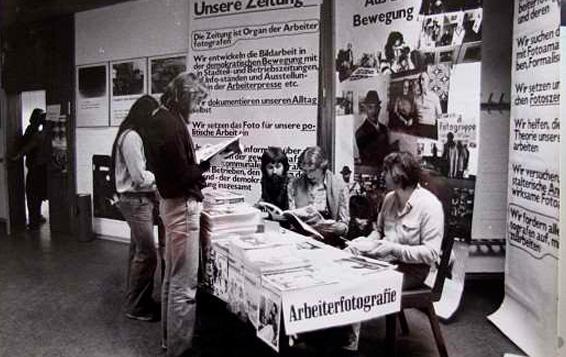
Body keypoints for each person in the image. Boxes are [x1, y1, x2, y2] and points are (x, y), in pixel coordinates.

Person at [144, 72, 210, 357]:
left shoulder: (161, 118)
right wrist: (208, 162)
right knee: (185, 285)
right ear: (184, 96)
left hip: (170, 206)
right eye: (196, 100)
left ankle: (169, 343)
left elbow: (170, 169)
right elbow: (183, 175)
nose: (197, 107)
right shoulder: (172, 125)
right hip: (182, 207)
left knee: (171, 279)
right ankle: (180, 351)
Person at [347, 151, 444, 289]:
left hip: (412, 271)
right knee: (348, 274)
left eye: (386, 171)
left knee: (364, 286)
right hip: (384, 262)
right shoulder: (389, 198)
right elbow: (379, 231)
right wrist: (366, 241)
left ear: (398, 176)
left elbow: (431, 254)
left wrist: (393, 249)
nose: (382, 175)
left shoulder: (429, 205)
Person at [111, 95, 160, 321]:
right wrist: (162, 175)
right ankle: (137, 307)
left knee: (137, 251)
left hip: (136, 200)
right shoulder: (131, 137)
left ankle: (135, 299)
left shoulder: (131, 134)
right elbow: (140, 177)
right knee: (148, 254)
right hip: (136, 200)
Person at [287, 146, 349, 247]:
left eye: (312, 171)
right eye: (305, 171)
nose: (308, 176)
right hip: (302, 241)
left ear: (322, 167)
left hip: (330, 244)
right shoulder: (294, 185)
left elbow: (345, 225)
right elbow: (292, 222)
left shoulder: (340, 186)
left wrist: (338, 228)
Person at [12, 109, 49, 230]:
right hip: (44, 169)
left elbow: (26, 149)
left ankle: (34, 222)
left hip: (35, 169)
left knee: (32, 195)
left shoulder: (37, 135)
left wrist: (15, 157)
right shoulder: (48, 134)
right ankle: (37, 217)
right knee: (39, 195)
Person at [355, 90, 392, 168]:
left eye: (376, 107)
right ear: (365, 109)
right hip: (370, 173)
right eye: (370, 107)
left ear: (379, 108)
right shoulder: (360, 132)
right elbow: (370, 158)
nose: (373, 111)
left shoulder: (384, 129)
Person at [414, 71, 442, 139]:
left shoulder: (434, 97)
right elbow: (414, 115)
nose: (421, 82)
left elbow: (439, 115)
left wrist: (430, 119)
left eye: (423, 79)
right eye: (420, 80)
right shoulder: (416, 98)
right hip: (418, 128)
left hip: (430, 129)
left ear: (428, 81)